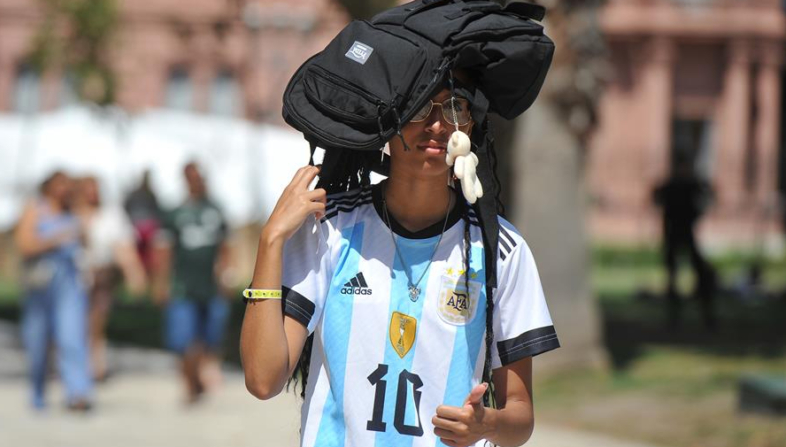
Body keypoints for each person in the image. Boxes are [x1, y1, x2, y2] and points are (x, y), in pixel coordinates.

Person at [240, 71, 560, 446]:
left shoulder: (500, 248)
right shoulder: (332, 228)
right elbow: (263, 380)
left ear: (471, 126)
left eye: (456, 107)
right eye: (420, 105)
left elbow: (520, 414)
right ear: (387, 118)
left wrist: (486, 424)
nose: (439, 124)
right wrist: (271, 239)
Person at [154, 162, 234, 403]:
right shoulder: (175, 213)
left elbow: (226, 246)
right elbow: (164, 250)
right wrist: (161, 282)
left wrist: (227, 274)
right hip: (183, 285)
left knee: (209, 336)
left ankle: (201, 377)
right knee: (184, 338)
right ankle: (189, 385)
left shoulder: (216, 210)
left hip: (210, 284)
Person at [14, 171, 93, 411]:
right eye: (61, 185)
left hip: (69, 283)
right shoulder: (35, 209)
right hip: (40, 284)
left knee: (72, 337)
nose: (65, 190)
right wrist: (56, 239)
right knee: (37, 343)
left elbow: (87, 241)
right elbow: (25, 245)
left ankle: (78, 393)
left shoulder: (74, 212)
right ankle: (38, 392)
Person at [74, 176, 147, 381]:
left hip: (101, 277)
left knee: (96, 322)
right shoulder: (71, 213)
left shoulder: (110, 215)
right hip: (73, 279)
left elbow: (123, 246)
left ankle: (95, 364)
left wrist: (134, 273)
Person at [653, 152, 717, 329]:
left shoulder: (692, 185)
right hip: (672, 236)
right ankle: (674, 317)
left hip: (687, 236)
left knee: (701, 273)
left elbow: (709, 196)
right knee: (673, 277)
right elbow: (656, 199)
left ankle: (706, 315)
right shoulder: (671, 185)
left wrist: (697, 214)